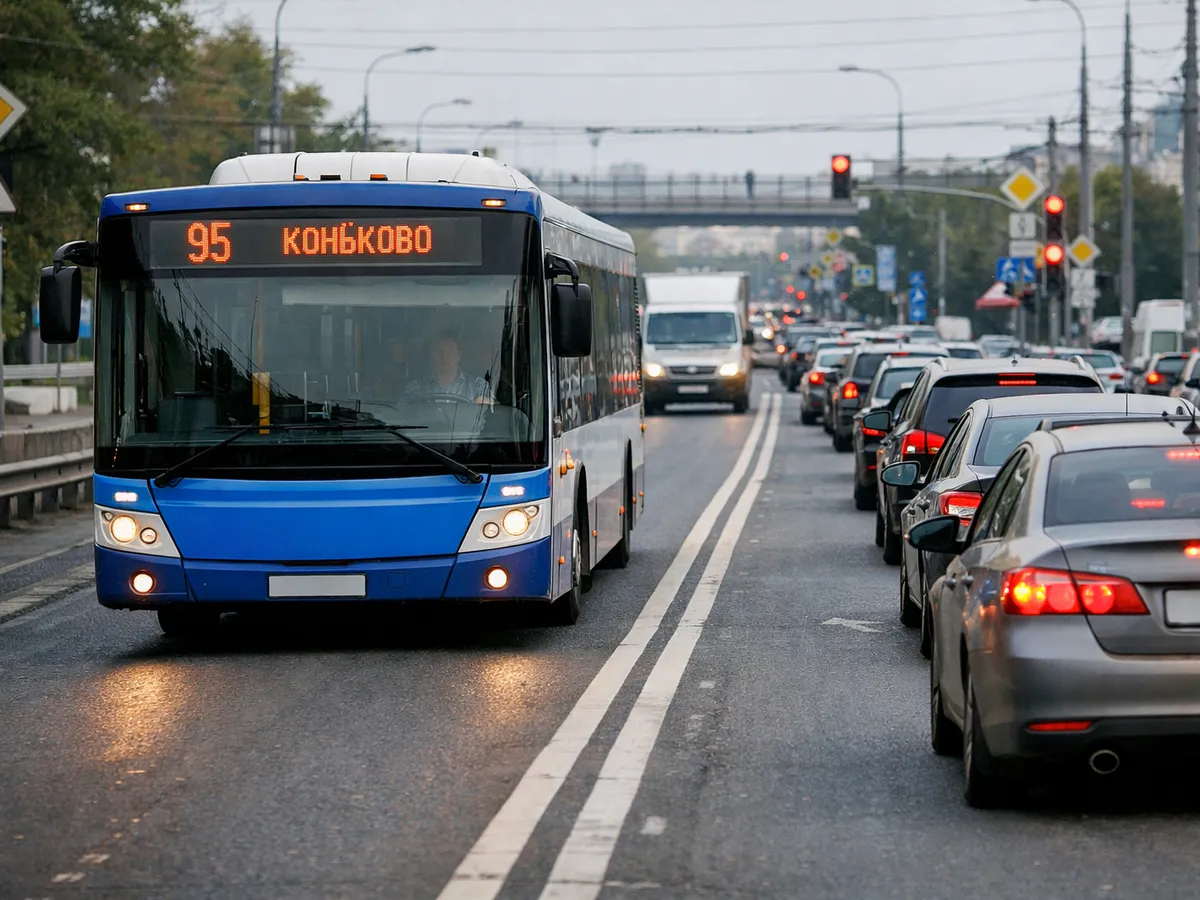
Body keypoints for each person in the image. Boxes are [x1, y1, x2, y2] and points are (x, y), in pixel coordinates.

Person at [404, 332, 492, 404]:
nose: (445, 356)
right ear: (431, 356)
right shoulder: (415, 389)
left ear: (459, 356)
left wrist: (485, 402)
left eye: (450, 351)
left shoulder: (477, 385)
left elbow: (494, 412)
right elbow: (401, 415)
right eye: (439, 351)